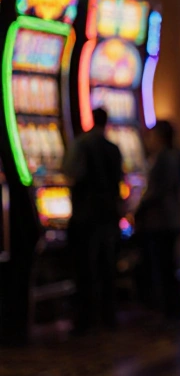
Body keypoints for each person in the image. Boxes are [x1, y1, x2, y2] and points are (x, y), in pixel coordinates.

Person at [64, 108, 125, 335]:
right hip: (109, 215)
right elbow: (120, 180)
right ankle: (108, 316)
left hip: (85, 215)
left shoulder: (82, 144)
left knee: (85, 268)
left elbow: (71, 172)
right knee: (107, 266)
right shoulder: (114, 148)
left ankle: (86, 319)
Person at [134, 120, 180, 324]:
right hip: (168, 218)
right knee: (166, 266)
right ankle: (170, 308)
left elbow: (157, 191)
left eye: (152, 135)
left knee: (165, 267)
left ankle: (170, 310)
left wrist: (138, 208)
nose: (148, 140)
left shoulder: (165, 158)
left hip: (162, 220)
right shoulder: (170, 156)